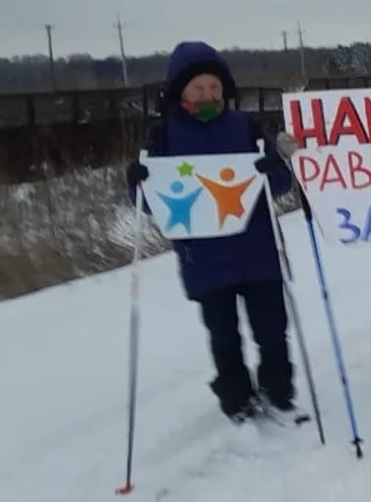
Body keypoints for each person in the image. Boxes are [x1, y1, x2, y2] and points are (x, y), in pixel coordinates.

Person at [124, 41, 301, 425]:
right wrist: (137, 181)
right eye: (199, 87)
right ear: (181, 90)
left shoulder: (246, 127)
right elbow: (148, 203)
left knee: (272, 328)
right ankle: (237, 399)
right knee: (223, 335)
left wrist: (272, 167)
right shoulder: (163, 136)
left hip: (257, 247)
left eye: (215, 87)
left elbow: (281, 184)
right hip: (203, 256)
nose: (208, 94)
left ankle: (279, 391)